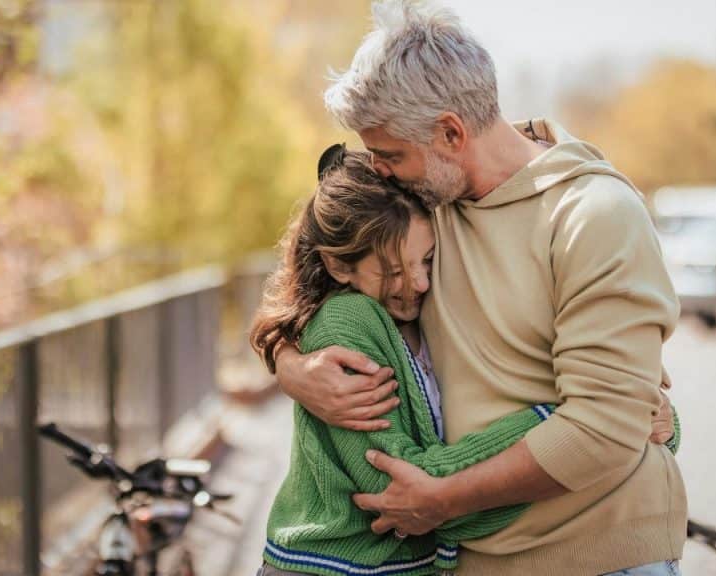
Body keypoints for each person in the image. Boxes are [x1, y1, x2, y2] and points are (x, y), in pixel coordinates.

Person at [272, 2, 687, 575]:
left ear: (450, 132)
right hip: (469, 560)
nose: (380, 172)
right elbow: (309, 276)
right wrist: (291, 364)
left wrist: (444, 499)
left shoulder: (593, 215)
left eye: (390, 154)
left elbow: (606, 429)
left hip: (598, 556)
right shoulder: (420, 210)